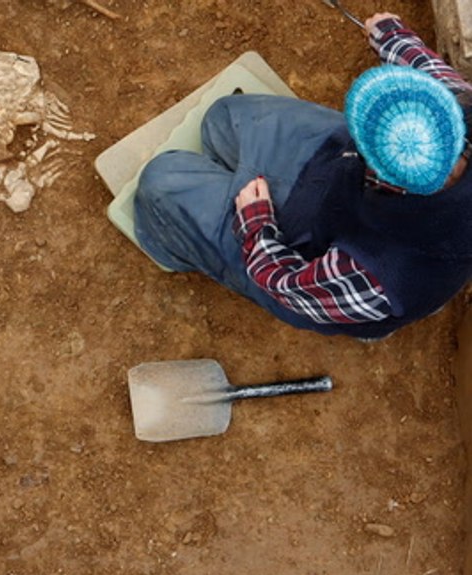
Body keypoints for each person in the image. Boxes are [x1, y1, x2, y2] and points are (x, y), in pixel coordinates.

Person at [134, 13, 472, 340]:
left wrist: (255, 225)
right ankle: (214, 194)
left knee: (160, 183)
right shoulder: (453, 115)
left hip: (314, 254)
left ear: (376, 166)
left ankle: (172, 244)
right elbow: (443, 83)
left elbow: (287, 286)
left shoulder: (382, 275)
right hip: (333, 171)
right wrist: (391, 36)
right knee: (221, 118)